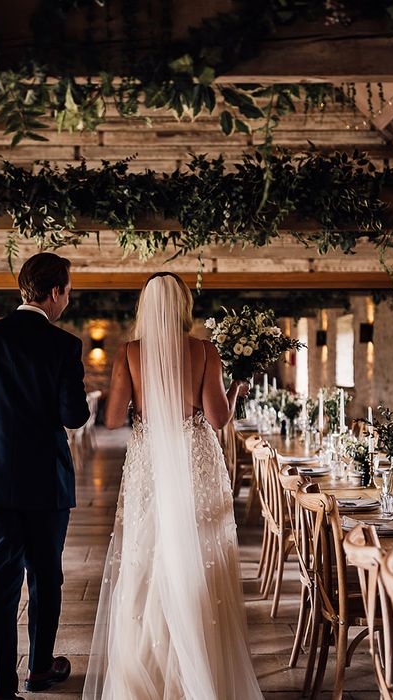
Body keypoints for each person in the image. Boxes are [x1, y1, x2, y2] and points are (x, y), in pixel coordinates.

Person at [83, 272, 263, 699]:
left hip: (149, 461)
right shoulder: (204, 350)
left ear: (145, 307)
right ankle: (200, 663)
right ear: (183, 307)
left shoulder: (129, 352)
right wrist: (235, 390)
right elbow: (218, 420)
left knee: (148, 554)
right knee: (198, 552)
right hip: (195, 458)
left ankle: (145, 664)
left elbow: (110, 420)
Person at [0, 252, 90, 700]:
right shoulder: (64, 346)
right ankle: (38, 670)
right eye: (68, 291)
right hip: (47, 483)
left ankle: (1, 690)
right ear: (54, 292)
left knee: (2, 584)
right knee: (46, 577)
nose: (67, 300)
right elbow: (73, 416)